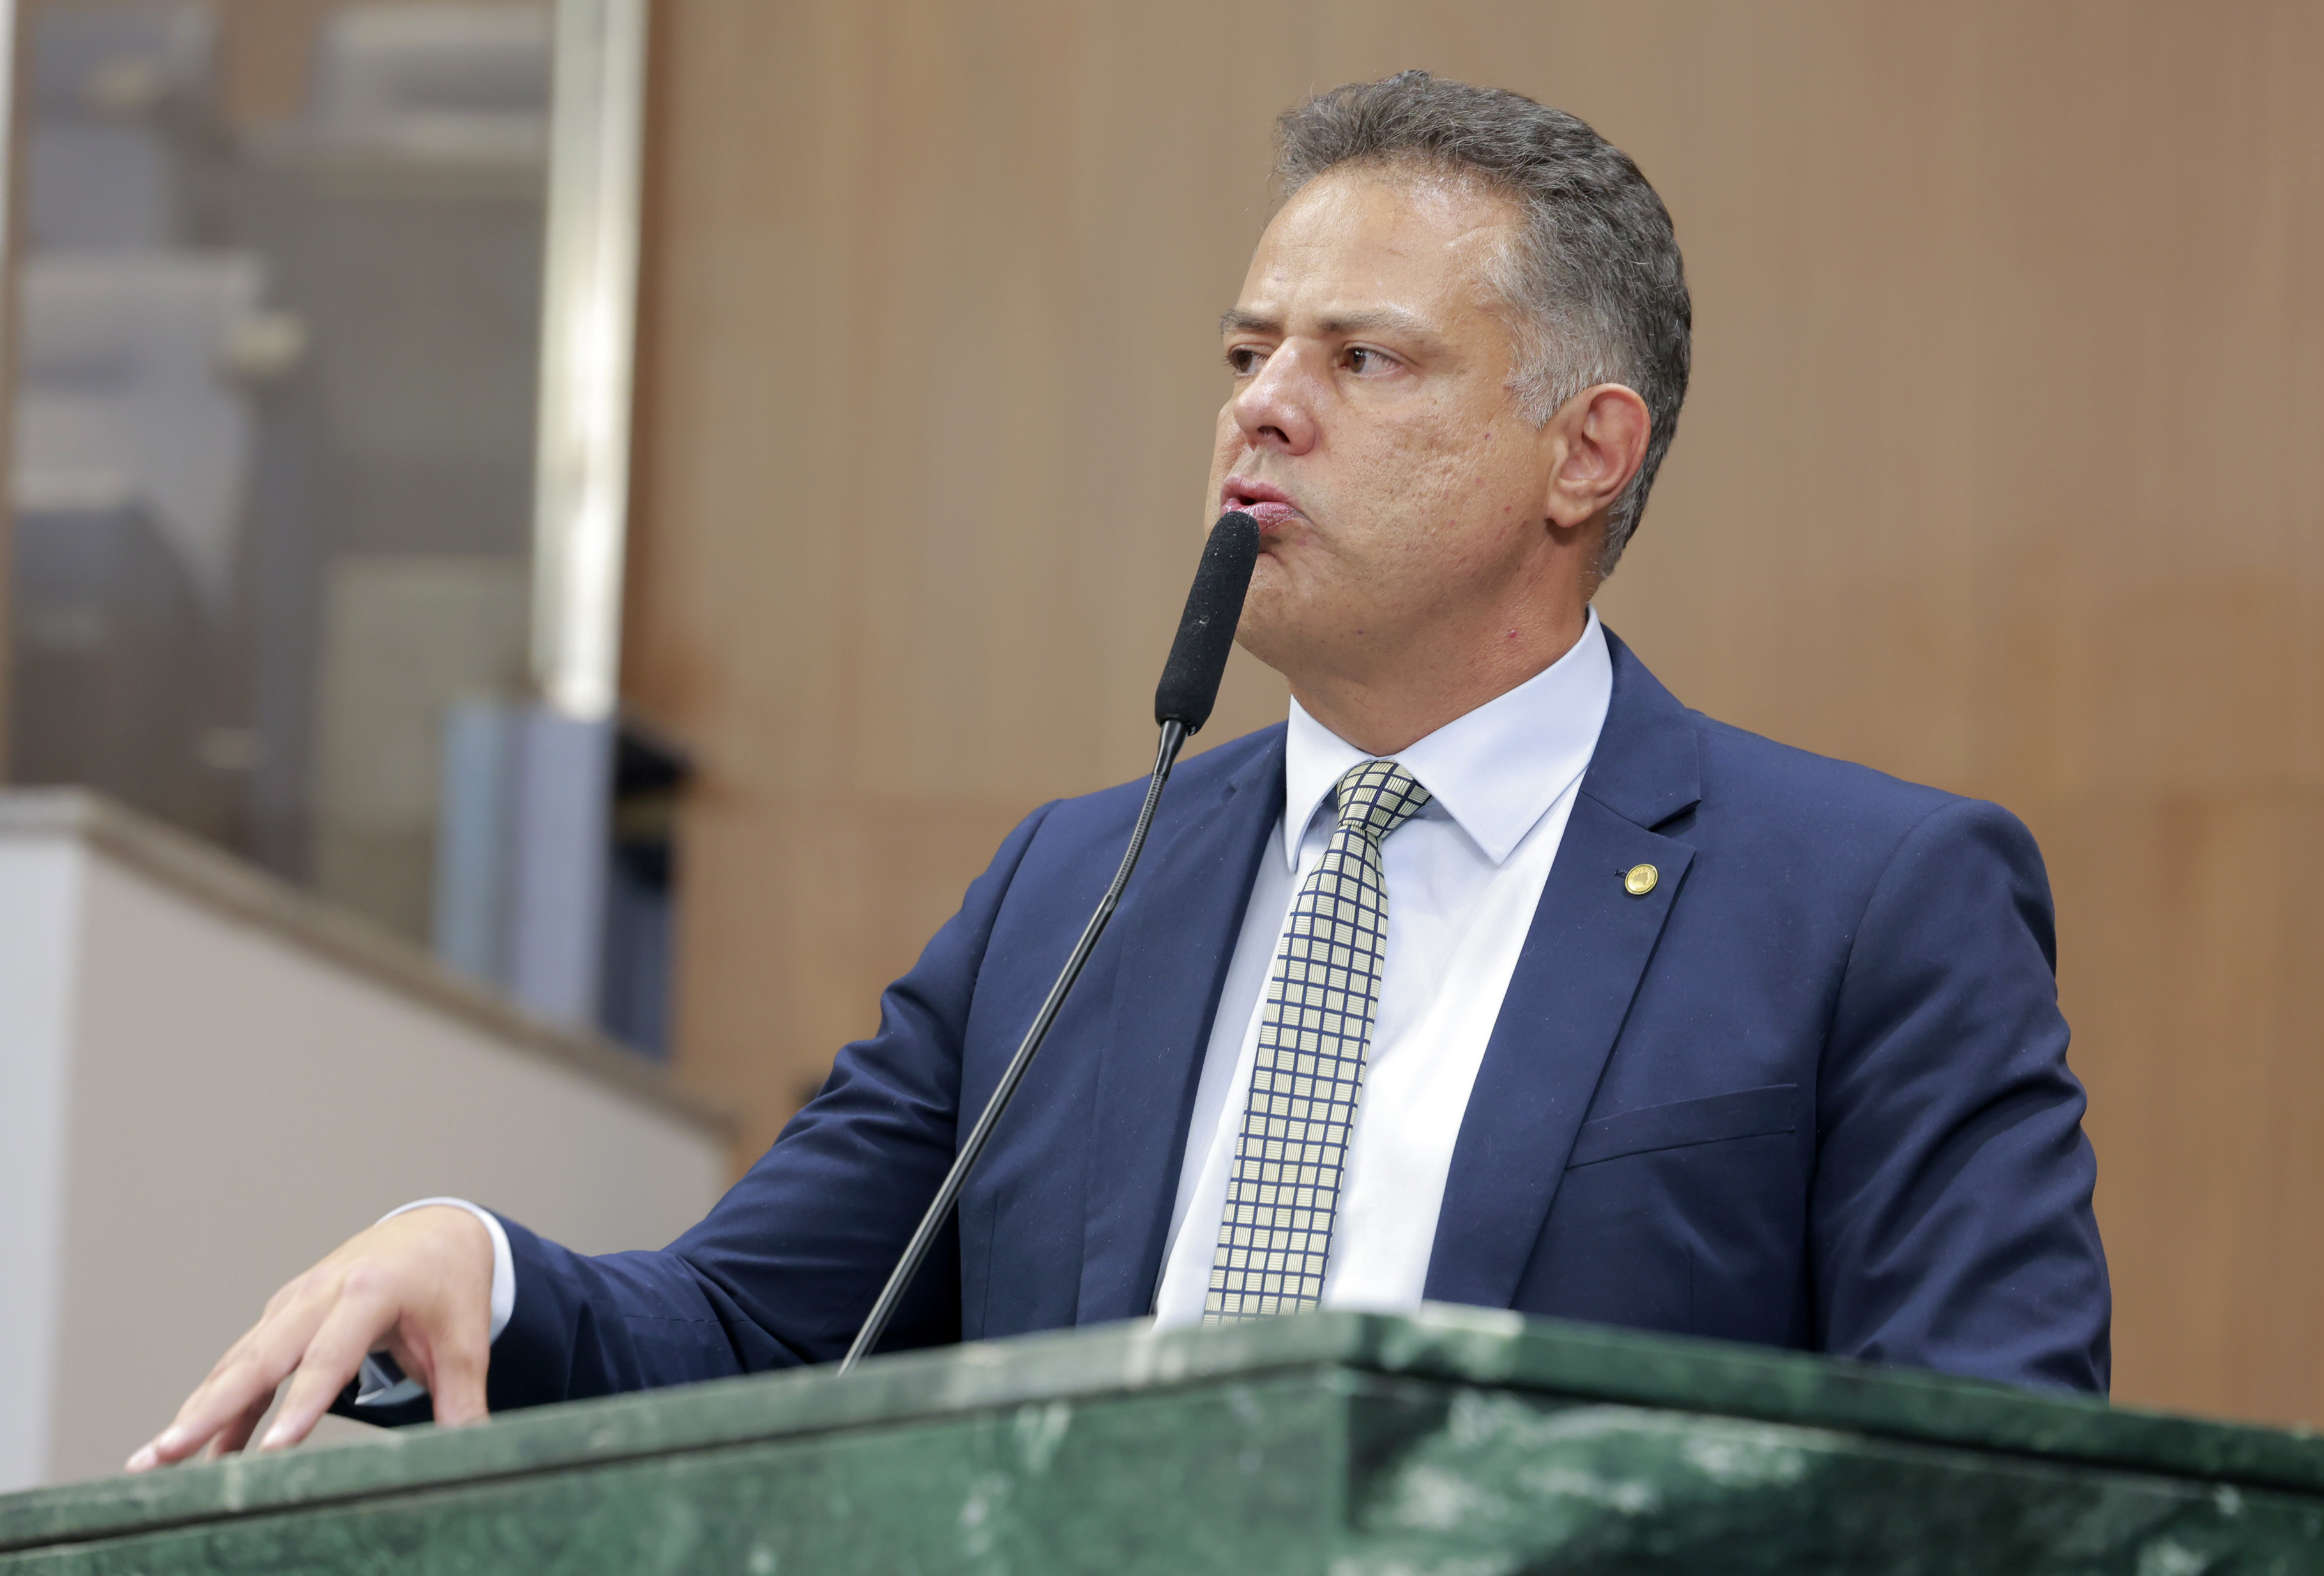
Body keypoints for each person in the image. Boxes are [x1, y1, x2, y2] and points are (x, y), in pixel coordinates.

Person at [129, 71, 2108, 1473]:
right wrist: (471, 1262)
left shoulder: (1867, 900)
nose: (1263, 409)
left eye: (1362, 360)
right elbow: (754, 1326)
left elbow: (1995, 1467)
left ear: (1587, 451)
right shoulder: (1071, 893)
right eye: (1249, 353)